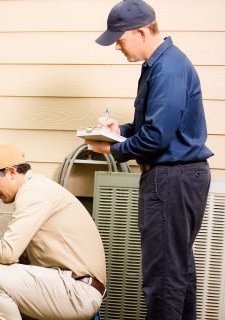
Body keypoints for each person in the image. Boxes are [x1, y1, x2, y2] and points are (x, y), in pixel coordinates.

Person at [88, 1, 213, 319]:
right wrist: (121, 131)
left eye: (119, 37)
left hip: (171, 179)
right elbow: (154, 126)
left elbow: (157, 137)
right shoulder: (162, 65)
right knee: (178, 273)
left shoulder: (167, 69)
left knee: (164, 280)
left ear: (141, 31)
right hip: (182, 176)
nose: (117, 45)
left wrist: (113, 150)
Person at [0, 144, 106, 320]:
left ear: (12, 172)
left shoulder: (34, 193)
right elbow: (11, 257)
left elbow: (7, 253)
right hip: (68, 286)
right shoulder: (36, 188)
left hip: (77, 291)